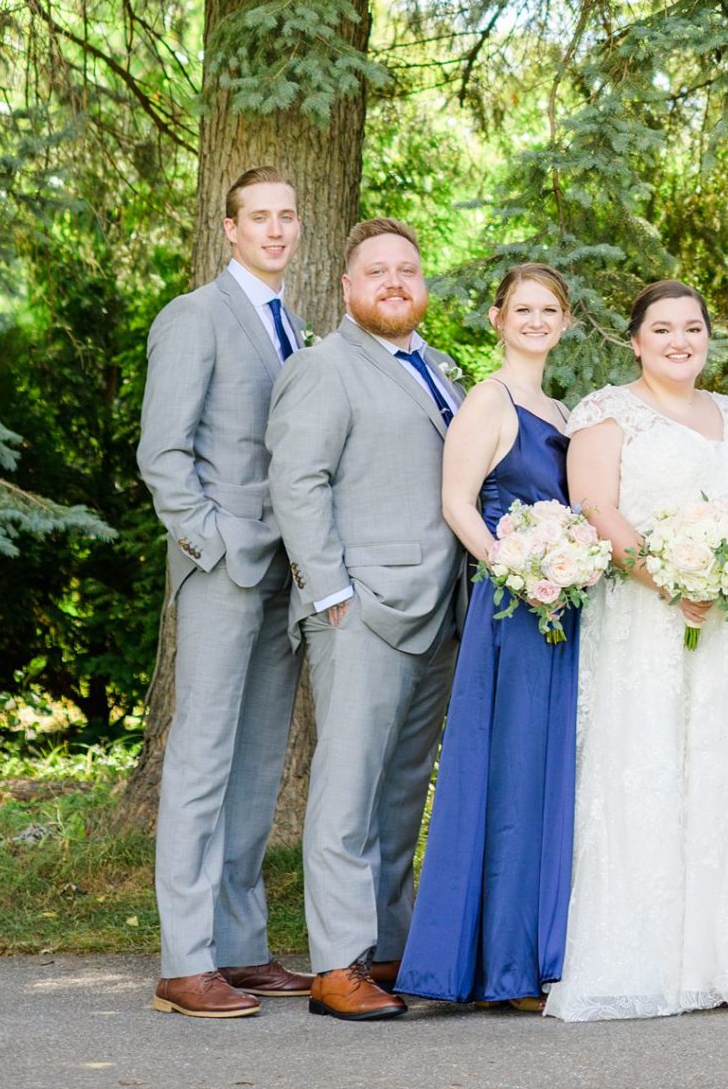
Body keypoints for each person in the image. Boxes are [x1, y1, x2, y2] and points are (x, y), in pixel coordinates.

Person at [545, 280, 728, 1020]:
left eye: (692, 328)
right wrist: (670, 581)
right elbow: (597, 508)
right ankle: (650, 959)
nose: (679, 340)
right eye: (662, 329)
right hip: (649, 621)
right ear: (635, 341)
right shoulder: (607, 413)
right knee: (653, 764)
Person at [266, 217, 466, 1021]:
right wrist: (331, 592)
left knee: (400, 791)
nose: (394, 281)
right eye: (377, 271)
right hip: (361, 610)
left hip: (439, 608)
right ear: (348, 288)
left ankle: (389, 944)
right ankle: (337, 965)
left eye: (407, 270)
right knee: (348, 790)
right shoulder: (322, 368)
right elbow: (298, 483)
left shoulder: (439, 371)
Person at [137, 167, 309, 1020]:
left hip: (288, 573)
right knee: (201, 760)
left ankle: (240, 948)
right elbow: (162, 455)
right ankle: (184, 959)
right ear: (230, 228)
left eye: (286, 217)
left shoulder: (296, 327)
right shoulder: (194, 317)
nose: (275, 230)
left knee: (258, 765)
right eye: (259, 218)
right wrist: (213, 543)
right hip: (224, 568)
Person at [399, 264, 578, 1011]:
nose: (536, 320)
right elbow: (457, 503)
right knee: (508, 778)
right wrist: (517, 569)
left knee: (547, 778)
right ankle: (502, 967)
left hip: (561, 611)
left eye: (550, 309)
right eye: (522, 308)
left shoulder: (562, 410)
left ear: (564, 322)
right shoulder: (490, 399)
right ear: (497, 319)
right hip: (512, 613)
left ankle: (536, 953)